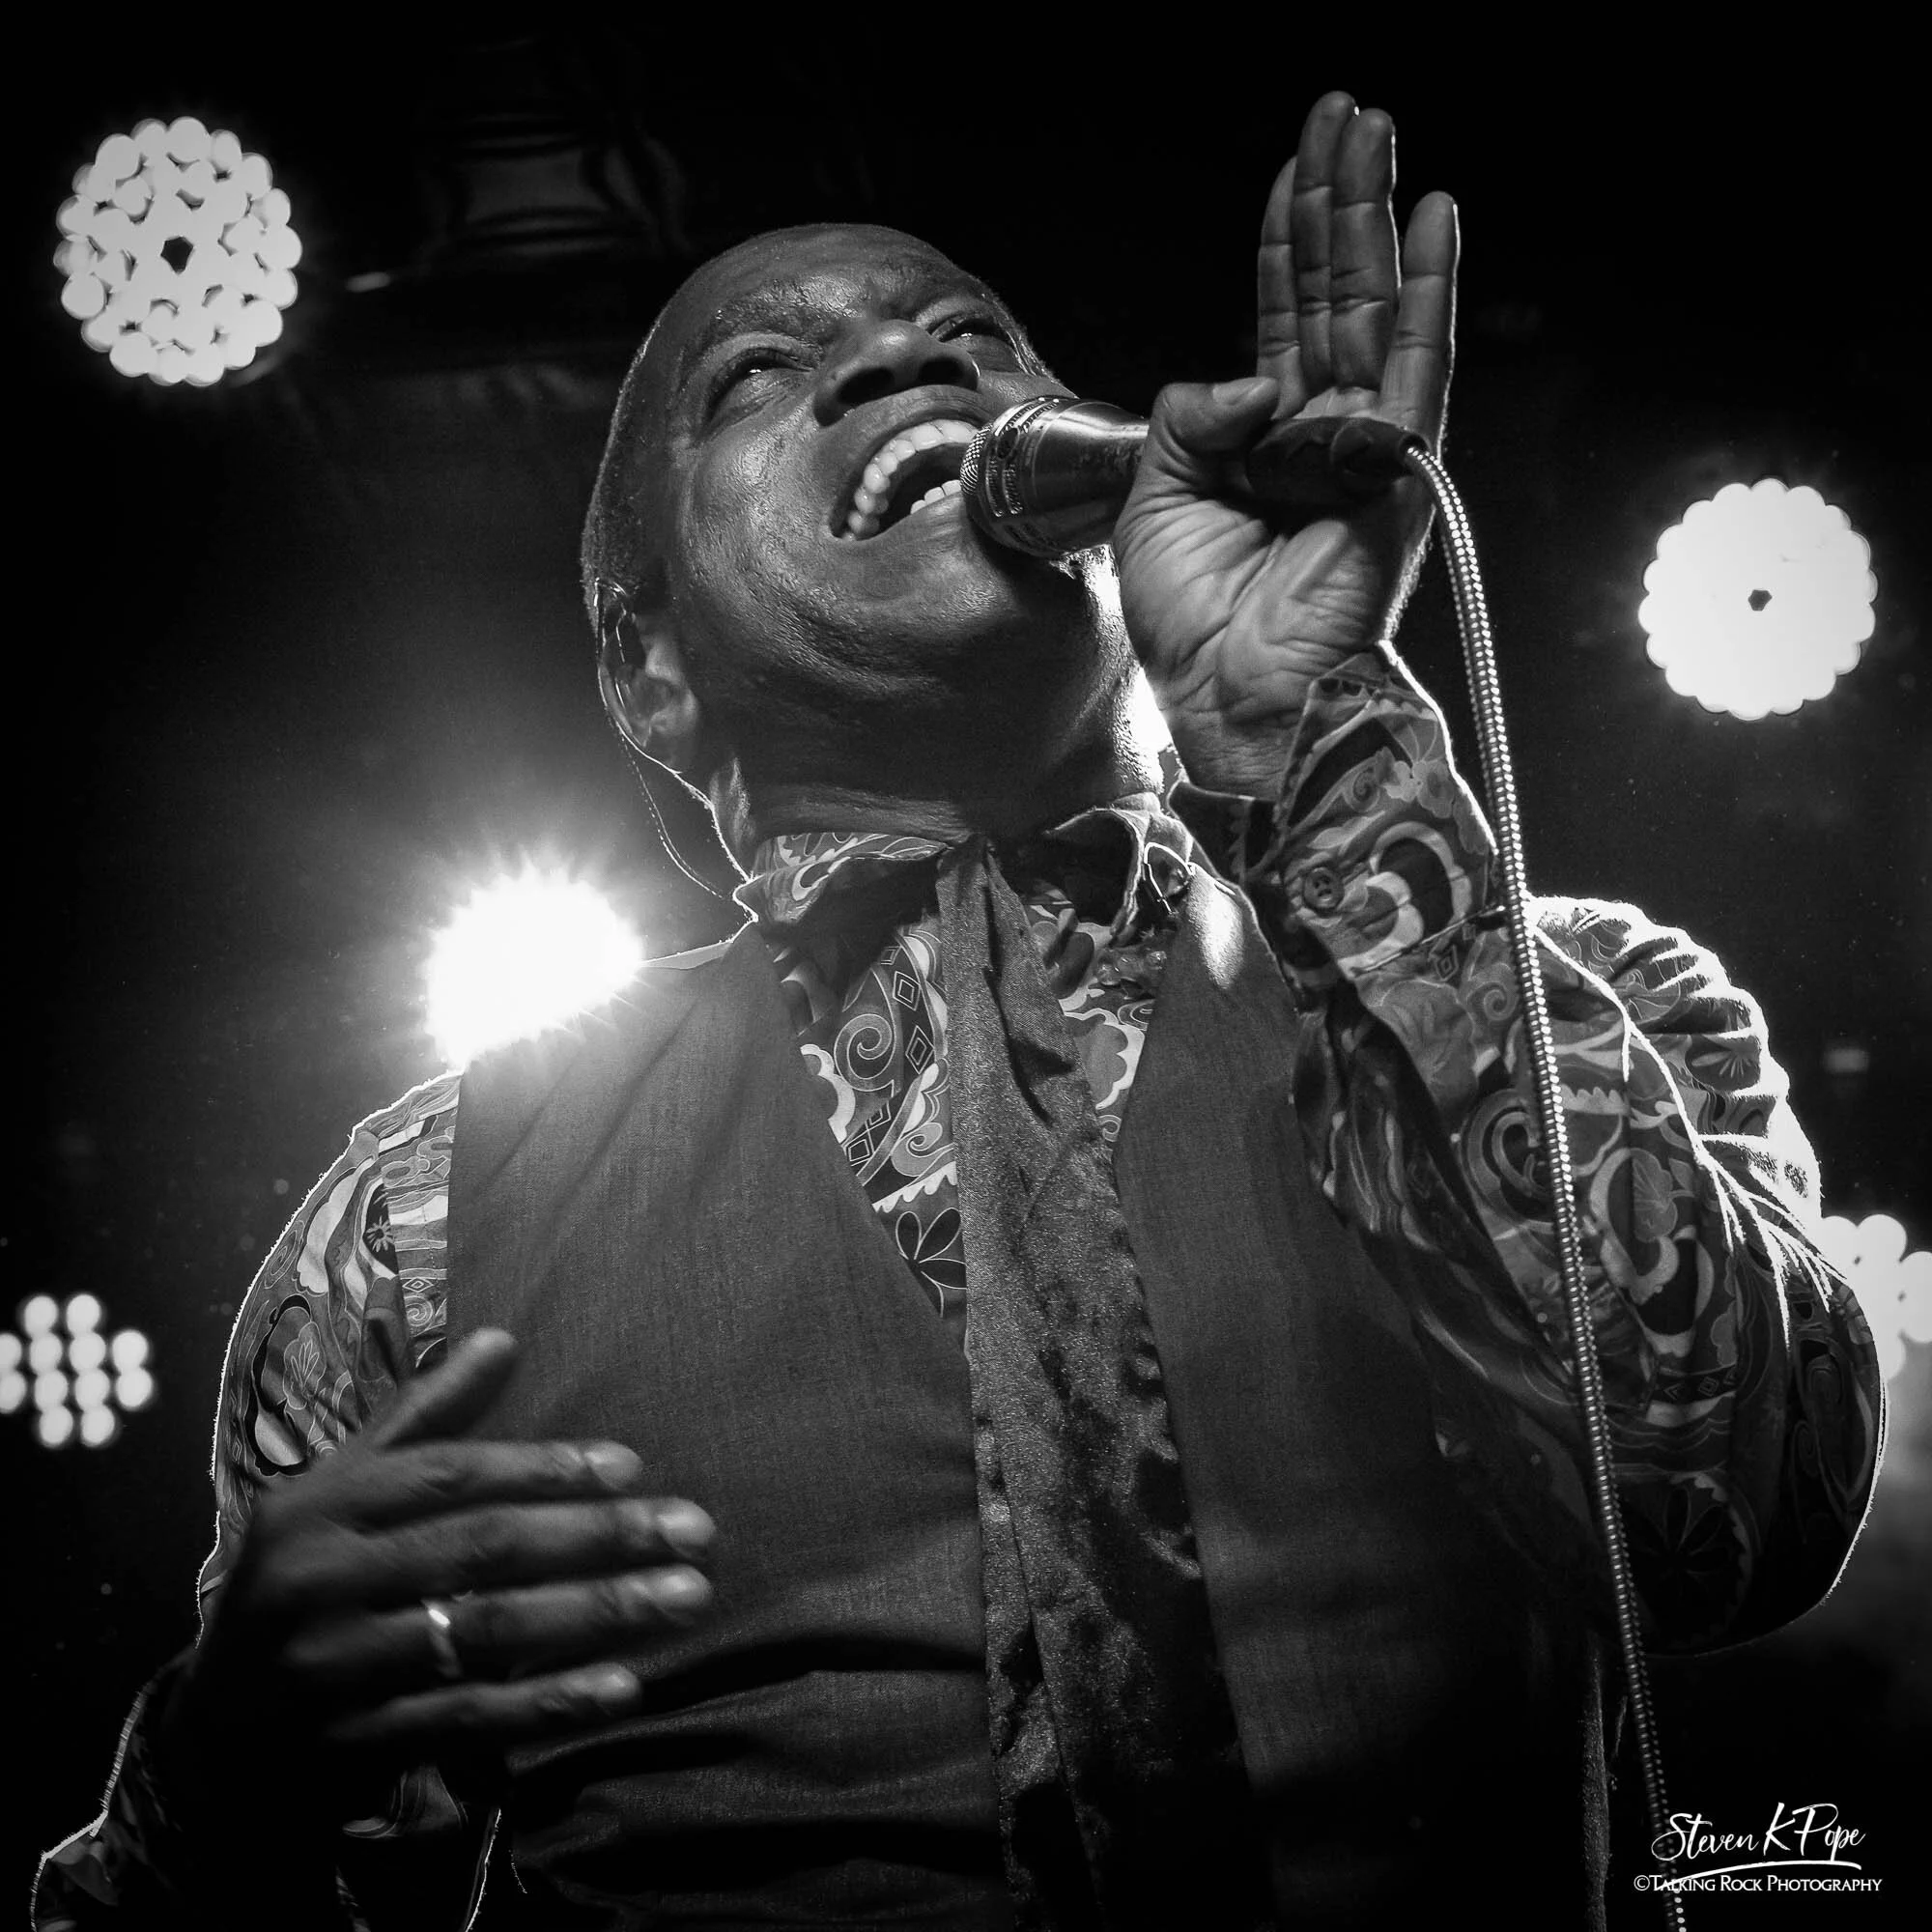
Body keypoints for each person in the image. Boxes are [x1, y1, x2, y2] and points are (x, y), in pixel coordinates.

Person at [37, 93, 1882, 1931]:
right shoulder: (423, 1228)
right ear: (649, 664)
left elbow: (1732, 1525)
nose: (902, 362)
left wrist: (1316, 737)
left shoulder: (1583, 998)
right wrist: (216, 1777)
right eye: (760, 375)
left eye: (974, 340)